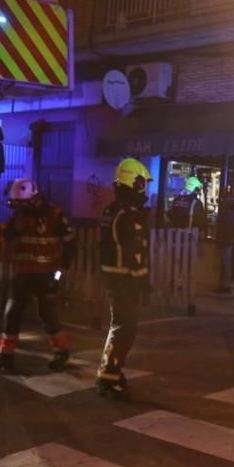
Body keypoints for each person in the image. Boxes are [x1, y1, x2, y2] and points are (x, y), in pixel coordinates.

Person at [0, 178, 75, 371]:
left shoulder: (55, 215)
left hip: (46, 276)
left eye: (18, 203)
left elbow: (70, 245)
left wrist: (58, 276)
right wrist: (13, 231)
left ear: (31, 199)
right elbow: (8, 236)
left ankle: (62, 353)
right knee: (11, 314)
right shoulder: (20, 216)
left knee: (47, 314)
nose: (15, 206)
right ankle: (6, 357)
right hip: (22, 274)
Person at [97, 158, 152, 398]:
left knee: (118, 326)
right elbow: (135, 254)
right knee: (125, 330)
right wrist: (144, 283)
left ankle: (112, 371)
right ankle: (109, 377)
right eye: (143, 183)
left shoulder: (111, 210)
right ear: (137, 183)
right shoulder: (131, 214)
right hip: (126, 281)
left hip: (111, 277)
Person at [215, 188, 234, 293]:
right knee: (226, 263)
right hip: (228, 241)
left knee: (226, 263)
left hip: (227, 241)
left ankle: (226, 286)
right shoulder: (233, 214)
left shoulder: (229, 215)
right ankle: (225, 285)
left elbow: (225, 229)